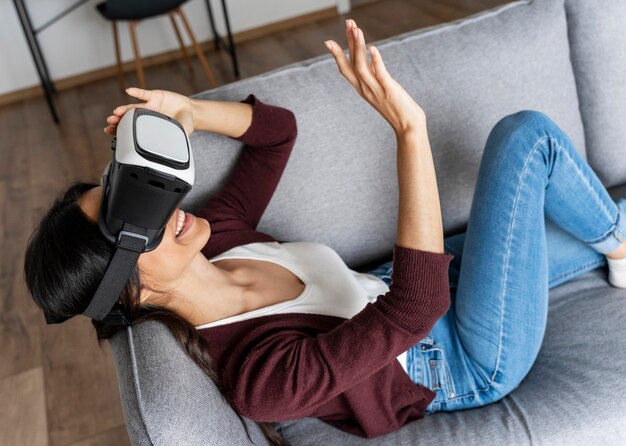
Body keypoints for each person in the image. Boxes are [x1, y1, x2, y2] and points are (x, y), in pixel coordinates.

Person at [24, 18, 626, 444]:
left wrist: (191, 112)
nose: (164, 204)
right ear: (130, 288)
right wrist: (409, 132)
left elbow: (276, 134)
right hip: (459, 359)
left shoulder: (221, 234)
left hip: (426, 284)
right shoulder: (260, 381)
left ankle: (617, 243)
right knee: (525, 139)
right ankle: (617, 243)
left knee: (566, 209)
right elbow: (416, 308)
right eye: (136, 218)